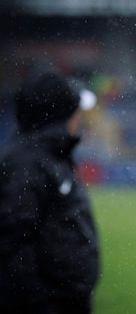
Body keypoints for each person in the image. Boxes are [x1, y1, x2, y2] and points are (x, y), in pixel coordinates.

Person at [0, 70, 100, 313]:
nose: (79, 117)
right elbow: (12, 247)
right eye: (75, 109)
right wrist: (44, 305)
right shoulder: (25, 165)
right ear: (60, 114)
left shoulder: (50, 158)